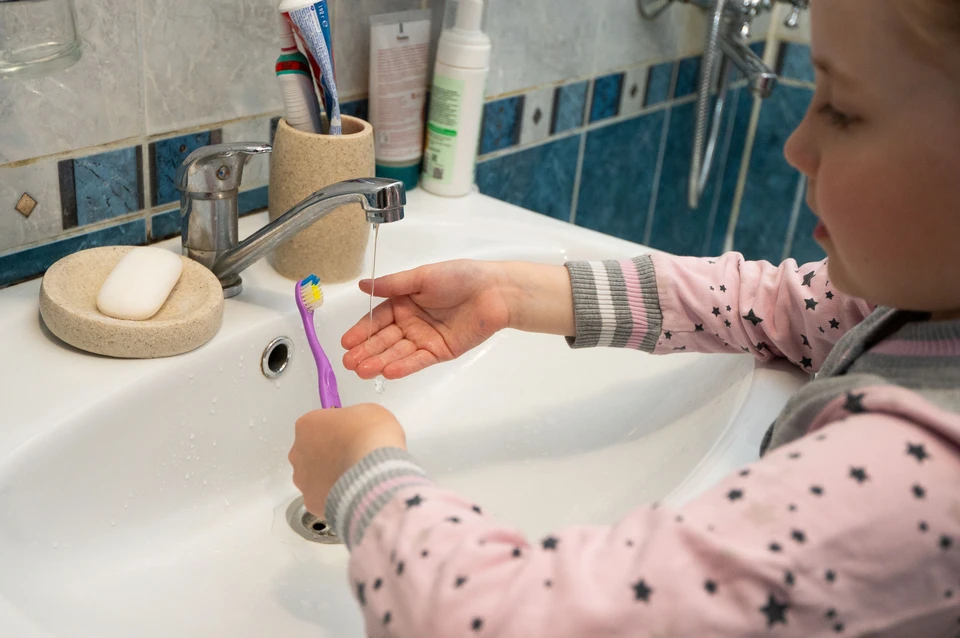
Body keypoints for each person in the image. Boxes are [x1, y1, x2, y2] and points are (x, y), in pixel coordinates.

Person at [288, 1, 960, 634]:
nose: (797, 146)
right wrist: (510, 294)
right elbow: (774, 306)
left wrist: (361, 475)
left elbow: (503, 619)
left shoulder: (915, 480)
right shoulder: (918, 308)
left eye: (842, 109)